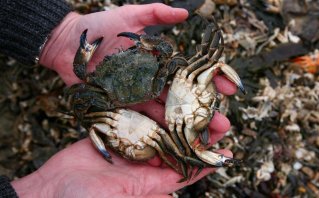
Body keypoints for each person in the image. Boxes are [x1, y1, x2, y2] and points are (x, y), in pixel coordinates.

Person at [0, 1, 238, 197]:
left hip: (128, 107)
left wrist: (61, 36)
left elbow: (79, 94)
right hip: (149, 100)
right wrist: (60, 36)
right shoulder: (159, 64)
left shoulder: (99, 79)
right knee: (173, 60)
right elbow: (169, 56)